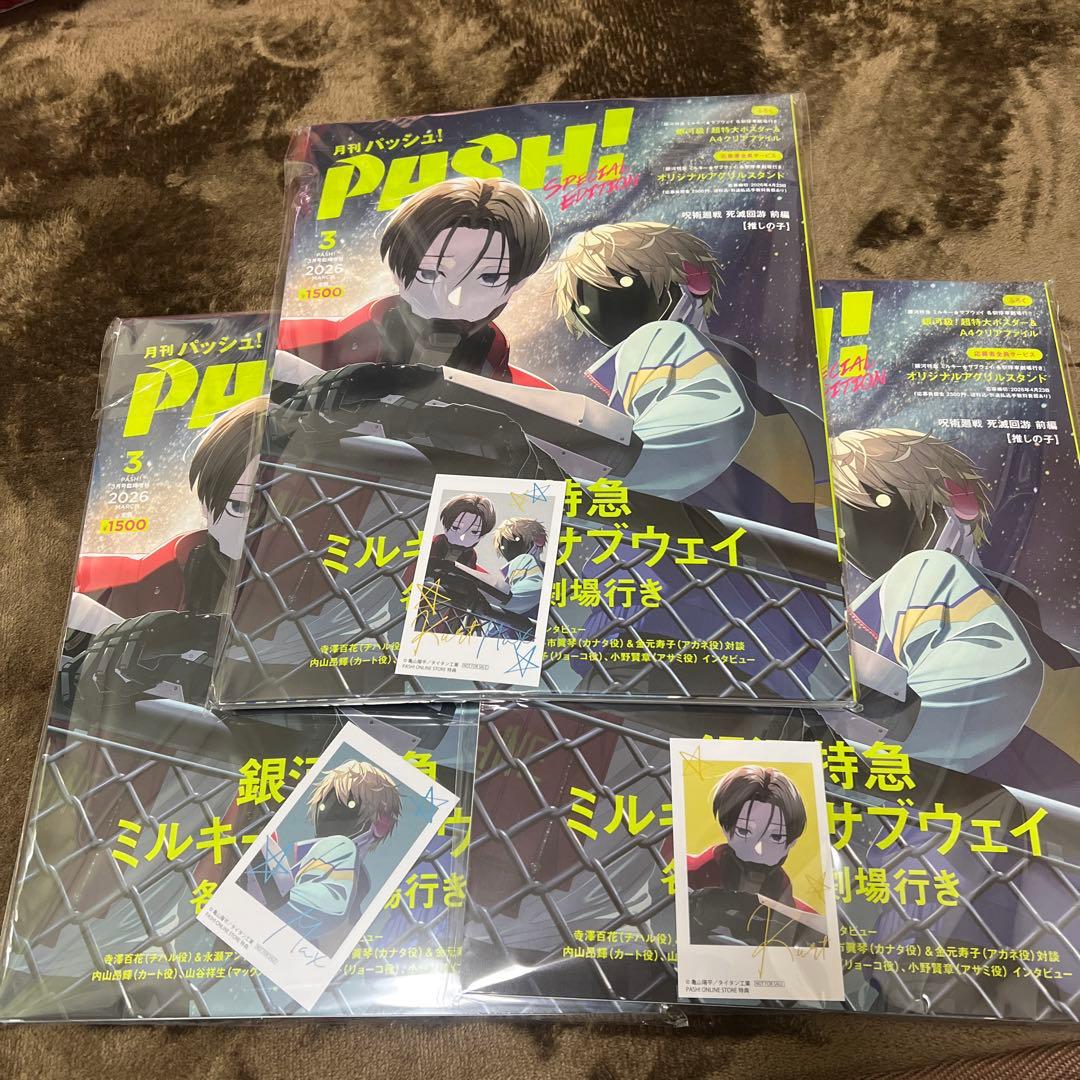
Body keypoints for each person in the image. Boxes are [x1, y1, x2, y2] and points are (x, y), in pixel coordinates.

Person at [277, 177, 553, 386]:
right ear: (397, 271)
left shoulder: (537, 402)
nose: (453, 297)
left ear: (518, 283)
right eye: (430, 273)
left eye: (488, 277)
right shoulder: (290, 343)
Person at [246, 759, 402, 954]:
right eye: (324, 805)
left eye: (348, 806)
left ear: (382, 822)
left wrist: (267, 867)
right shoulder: (331, 858)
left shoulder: (342, 847)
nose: (329, 813)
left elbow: (321, 910)